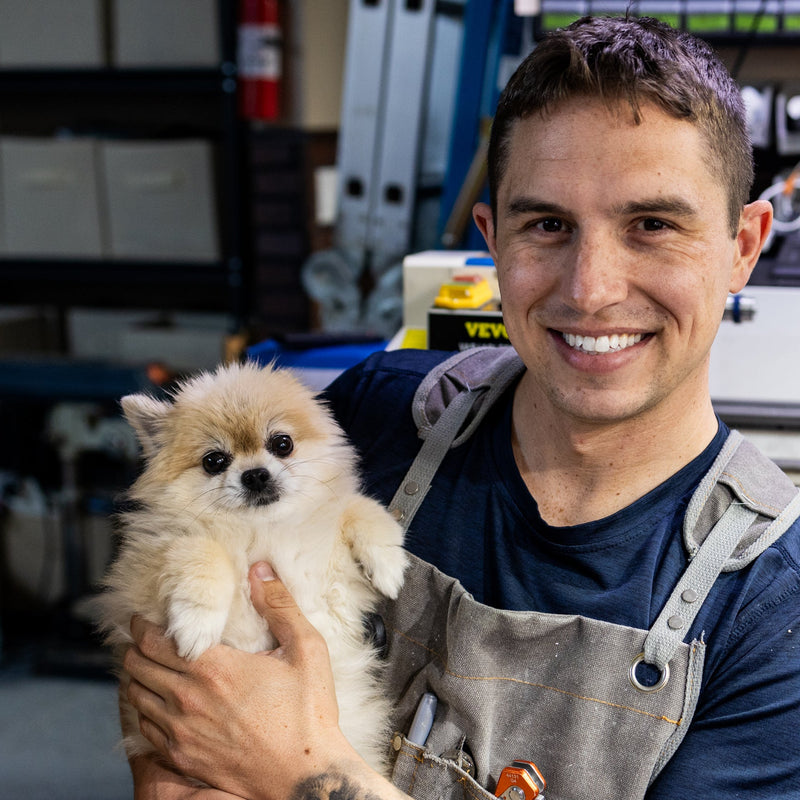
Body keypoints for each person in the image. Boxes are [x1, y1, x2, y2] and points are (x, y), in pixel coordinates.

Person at [121, 14, 800, 800]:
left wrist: (306, 772)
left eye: (652, 225)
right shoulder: (371, 423)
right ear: (492, 240)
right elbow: (168, 704)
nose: (590, 289)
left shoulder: (771, 610)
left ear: (744, 247)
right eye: (547, 225)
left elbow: (262, 753)